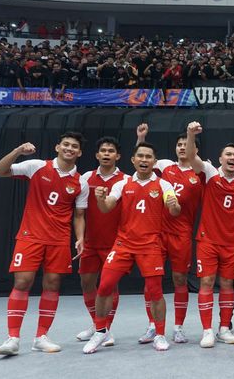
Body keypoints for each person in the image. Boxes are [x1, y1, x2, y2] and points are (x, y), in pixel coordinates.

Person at [0, 133, 89, 356]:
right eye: (66, 144)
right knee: (23, 282)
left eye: (74, 146)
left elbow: (79, 215)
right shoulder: (36, 166)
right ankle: (13, 338)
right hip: (31, 236)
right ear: (57, 147)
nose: (70, 148)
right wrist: (17, 151)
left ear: (80, 152)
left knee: (52, 285)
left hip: (58, 240)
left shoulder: (80, 182)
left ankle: (41, 337)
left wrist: (80, 238)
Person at [83, 142, 181, 353]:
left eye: (148, 157)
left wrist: (174, 205)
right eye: (140, 156)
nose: (144, 160)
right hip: (123, 244)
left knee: (155, 292)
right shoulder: (122, 184)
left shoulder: (164, 185)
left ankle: (160, 334)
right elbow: (106, 207)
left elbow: (174, 210)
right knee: (104, 286)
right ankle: (101, 331)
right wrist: (100, 199)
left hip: (150, 245)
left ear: (154, 162)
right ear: (133, 160)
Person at [136, 123, 205, 344]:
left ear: (194, 149)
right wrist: (141, 138)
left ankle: (178, 327)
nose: (182, 147)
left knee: (179, 279)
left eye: (186, 144)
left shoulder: (200, 171)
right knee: (152, 280)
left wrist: (191, 136)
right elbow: (141, 161)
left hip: (182, 234)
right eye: (179, 144)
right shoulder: (165, 166)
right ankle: (152, 325)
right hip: (157, 233)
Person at [184, 121, 234, 348]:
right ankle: (207, 331)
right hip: (208, 240)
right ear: (220, 159)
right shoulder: (210, 173)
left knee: (227, 284)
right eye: (228, 154)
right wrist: (190, 134)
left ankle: (224, 329)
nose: (232, 158)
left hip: (231, 242)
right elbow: (191, 157)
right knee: (207, 281)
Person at [75, 137, 128, 347]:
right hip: (90, 242)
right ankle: (98, 324)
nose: (107, 154)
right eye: (103, 150)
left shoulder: (126, 180)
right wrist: (81, 238)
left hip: (115, 244)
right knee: (86, 283)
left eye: (111, 151)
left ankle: (106, 329)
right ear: (97, 155)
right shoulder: (86, 178)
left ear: (118, 156)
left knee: (109, 286)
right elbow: (79, 212)